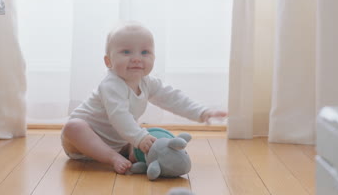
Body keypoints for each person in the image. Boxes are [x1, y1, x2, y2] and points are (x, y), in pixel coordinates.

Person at [61, 21, 227, 174]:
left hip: (119, 141)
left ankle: (132, 153)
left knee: (146, 130)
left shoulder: (148, 83)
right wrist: (139, 138)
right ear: (108, 61)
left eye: (145, 52)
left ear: (154, 58)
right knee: (74, 126)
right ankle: (112, 157)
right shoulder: (111, 85)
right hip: (81, 143)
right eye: (126, 52)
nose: (136, 58)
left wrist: (202, 112)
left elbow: (173, 98)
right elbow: (119, 116)